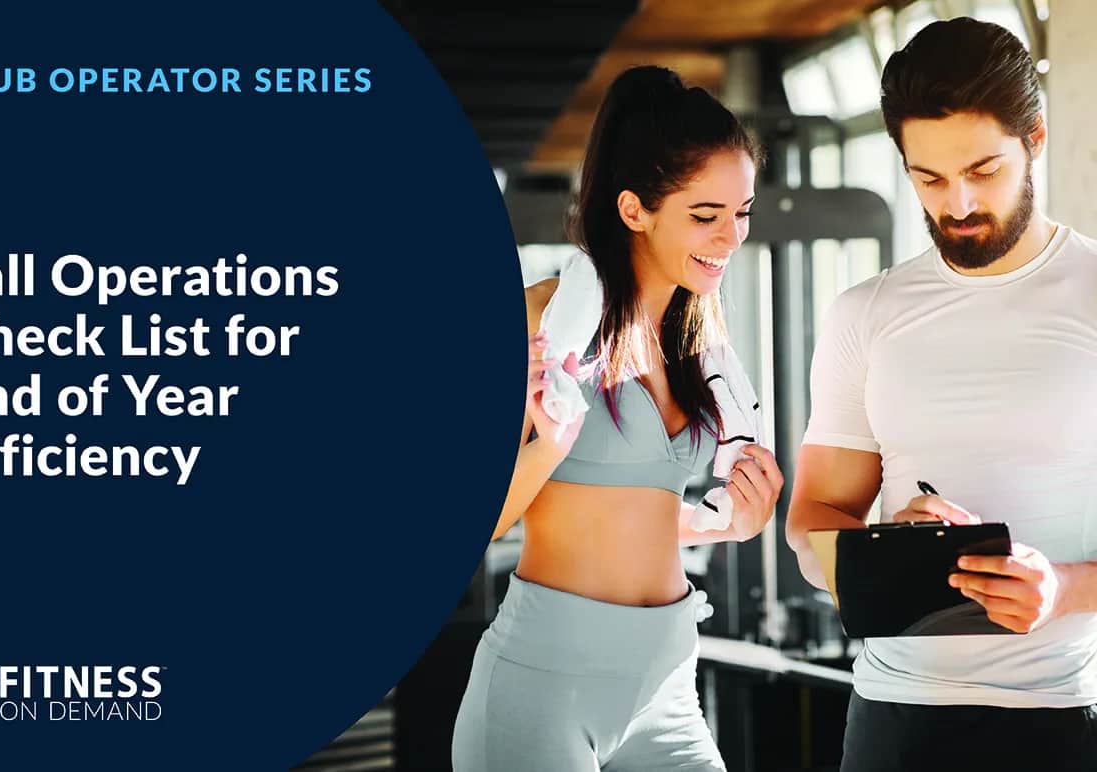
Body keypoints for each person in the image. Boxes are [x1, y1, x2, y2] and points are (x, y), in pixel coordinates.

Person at [784, 18, 1097, 772]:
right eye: (927, 178)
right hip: (896, 723)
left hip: (1064, 720)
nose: (956, 203)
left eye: (983, 170)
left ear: (1037, 139)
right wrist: (887, 542)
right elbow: (809, 526)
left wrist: (1061, 588)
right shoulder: (865, 313)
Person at [450, 65, 784, 772]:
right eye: (705, 215)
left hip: (666, 692)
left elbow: (641, 508)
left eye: (742, 212)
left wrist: (733, 522)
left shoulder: (698, 339)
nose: (731, 238)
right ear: (634, 209)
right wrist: (550, 443)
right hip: (541, 689)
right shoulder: (542, 317)